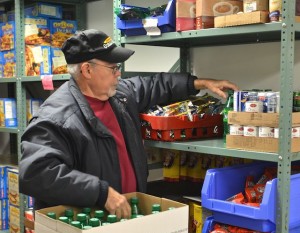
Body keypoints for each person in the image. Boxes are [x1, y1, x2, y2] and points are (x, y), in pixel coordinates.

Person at [19, 29, 238, 219]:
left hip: (124, 217)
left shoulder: (119, 94)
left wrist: (201, 83)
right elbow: (36, 173)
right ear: (87, 70)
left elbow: (155, 85)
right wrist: (101, 193)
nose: (119, 73)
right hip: (88, 225)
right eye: (113, 68)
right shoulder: (57, 116)